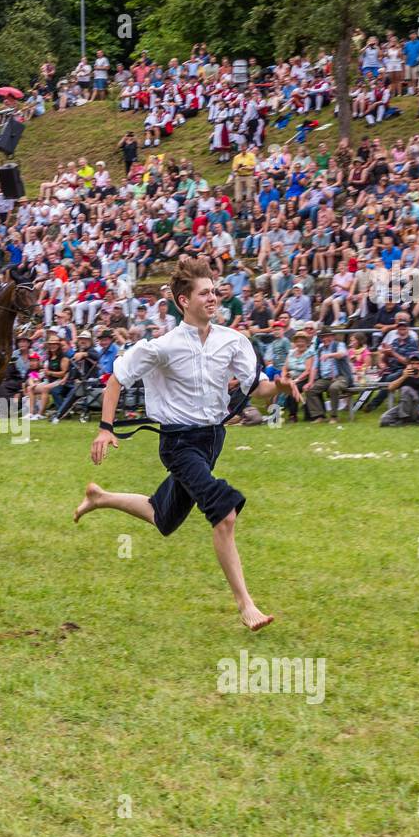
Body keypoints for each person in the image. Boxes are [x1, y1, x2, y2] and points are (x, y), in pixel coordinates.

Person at [73, 257, 278, 632]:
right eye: (205, 293)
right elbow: (116, 379)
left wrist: (280, 388)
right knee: (224, 511)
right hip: (178, 442)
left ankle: (99, 498)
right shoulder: (161, 347)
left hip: (213, 439)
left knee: (162, 515)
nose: (214, 298)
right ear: (184, 300)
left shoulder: (233, 342)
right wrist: (105, 428)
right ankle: (245, 604)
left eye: (215, 291)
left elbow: (259, 390)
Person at [379, 353, 419, 426]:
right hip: (403, 406)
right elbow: (390, 388)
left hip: (418, 407)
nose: (415, 366)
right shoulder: (405, 374)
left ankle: (404, 419)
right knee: (384, 420)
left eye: (418, 363)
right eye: (412, 363)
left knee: (406, 389)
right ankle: (407, 421)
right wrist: (403, 377)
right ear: (408, 365)